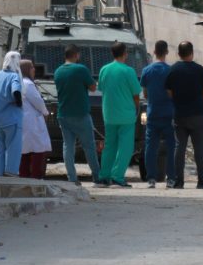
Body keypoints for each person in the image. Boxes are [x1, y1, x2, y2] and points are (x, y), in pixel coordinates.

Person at [165, 41, 203, 189]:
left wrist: (179, 101)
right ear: (192, 52)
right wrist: (198, 101)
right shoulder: (199, 70)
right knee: (199, 148)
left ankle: (179, 181)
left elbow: (169, 92)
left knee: (179, 147)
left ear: (178, 53)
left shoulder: (173, 70)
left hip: (180, 114)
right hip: (198, 114)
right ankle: (202, 181)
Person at [54, 44, 101, 185]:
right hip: (80, 114)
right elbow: (93, 88)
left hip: (63, 114)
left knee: (68, 146)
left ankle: (72, 178)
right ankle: (97, 177)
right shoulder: (81, 69)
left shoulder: (58, 71)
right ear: (76, 55)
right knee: (89, 147)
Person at [96, 42, 142, 188]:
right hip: (126, 115)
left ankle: (104, 177)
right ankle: (117, 177)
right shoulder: (128, 71)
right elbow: (136, 94)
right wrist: (136, 108)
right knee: (125, 147)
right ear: (125, 53)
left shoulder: (104, 69)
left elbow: (101, 88)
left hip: (109, 114)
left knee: (109, 145)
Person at [140, 40, 176, 188]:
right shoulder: (171, 70)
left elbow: (145, 93)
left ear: (154, 52)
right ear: (167, 52)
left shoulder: (147, 71)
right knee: (171, 146)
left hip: (153, 112)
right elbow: (173, 93)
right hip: (169, 113)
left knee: (151, 147)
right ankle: (171, 178)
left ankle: (151, 178)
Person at [0, 51, 23, 177]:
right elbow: (16, 91)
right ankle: (11, 172)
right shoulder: (14, 76)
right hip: (11, 118)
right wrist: (18, 103)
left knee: (0, 147)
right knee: (13, 146)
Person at [18, 59, 51, 179]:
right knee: (38, 149)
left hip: (24, 121)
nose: (34, 69)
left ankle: (24, 175)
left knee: (25, 151)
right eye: (31, 67)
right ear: (26, 70)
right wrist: (45, 112)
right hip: (32, 123)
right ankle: (36, 176)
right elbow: (38, 102)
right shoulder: (28, 84)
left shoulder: (20, 82)